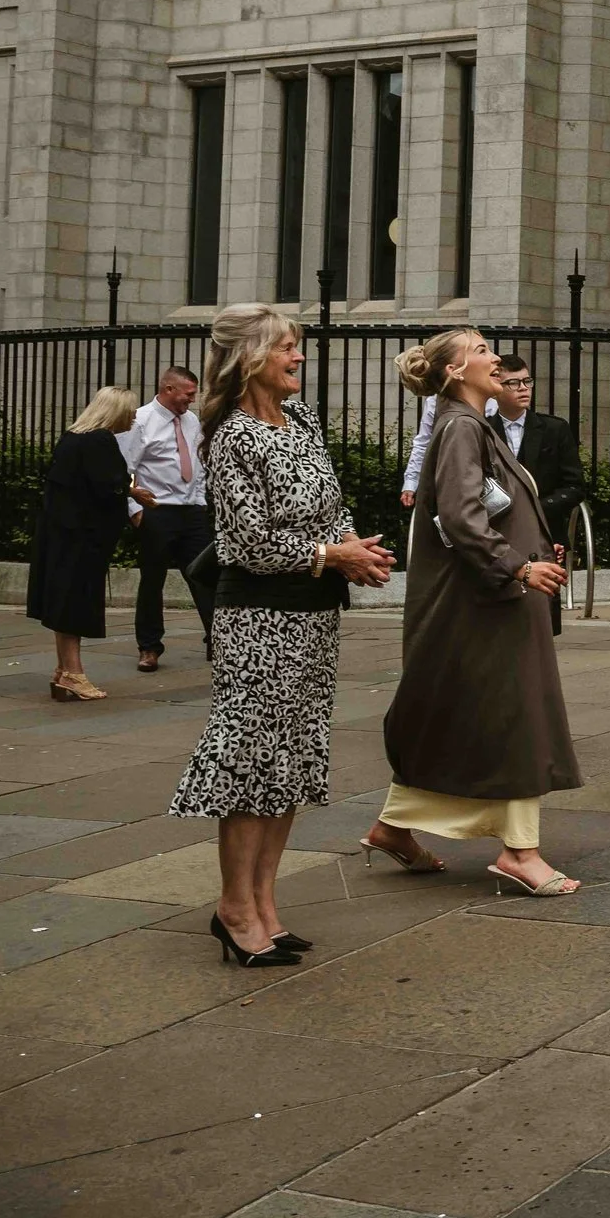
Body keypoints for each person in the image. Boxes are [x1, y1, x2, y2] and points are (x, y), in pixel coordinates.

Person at [170, 303, 395, 968]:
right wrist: (333, 555)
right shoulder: (233, 434)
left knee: (291, 757)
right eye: (286, 348)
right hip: (258, 620)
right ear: (249, 359)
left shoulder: (299, 417)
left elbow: (332, 499)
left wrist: (354, 542)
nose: (298, 358)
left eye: (298, 347)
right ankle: (234, 908)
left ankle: (264, 904)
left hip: (313, 616)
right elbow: (246, 541)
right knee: (250, 759)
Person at [365, 329, 583, 896]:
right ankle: (520, 851)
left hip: (493, 597)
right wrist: (517, 566)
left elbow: (489, 508)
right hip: (489, 600)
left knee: (470, 717)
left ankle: (393, 827)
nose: (495, 357)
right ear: (458, 370)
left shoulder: (468, 424)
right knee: (516, 720)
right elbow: (463, 516)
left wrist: (532, 547)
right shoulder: (462, 426)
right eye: (482, 350)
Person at [27, 386, 148, 702]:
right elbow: (107, 487)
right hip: (81, 539)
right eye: (131, 410)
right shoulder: (100, 441)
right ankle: (74, 674)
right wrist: (133, 493)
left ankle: (64, 670)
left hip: (61, 534)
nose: (135, 416)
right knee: (75, 603)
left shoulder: (73, 437)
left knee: (63, 601)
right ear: (117, 411)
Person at [118, 368, 214, 671]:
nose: (192, 399)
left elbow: (198, 464)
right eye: (188, 393)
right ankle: (149, 646)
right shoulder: (140, 420)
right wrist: (135, 511)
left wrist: (199, 500)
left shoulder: (191, 421)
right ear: (169, 388)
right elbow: (122, 470)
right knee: (152, 580)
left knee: (206, 575)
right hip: (157, 511)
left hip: (191, 511)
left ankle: (219, 638)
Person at [489, 354, 586, 631]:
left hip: (545, 534)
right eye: (513, 383)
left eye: (527, 381)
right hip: (500, 535)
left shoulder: (554, 428)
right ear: (496, 388)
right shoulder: (484, 430)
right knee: (500, 620)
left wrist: (536, 509)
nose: (523, 388)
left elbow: (575, 485)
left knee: (541, 620)